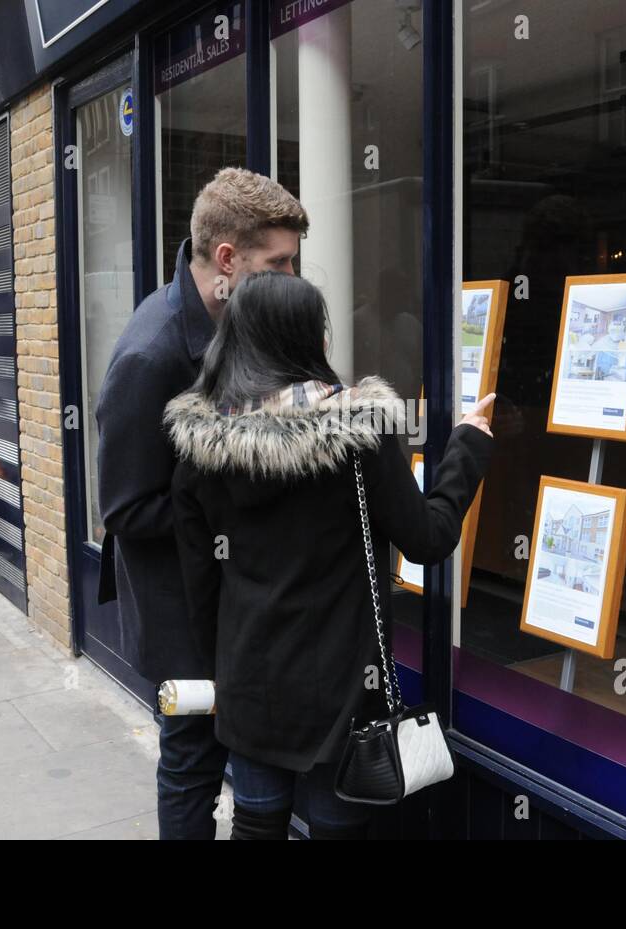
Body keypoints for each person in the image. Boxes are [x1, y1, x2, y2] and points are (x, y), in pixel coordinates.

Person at [165, 271, 494, 840]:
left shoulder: (201, 449)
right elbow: (428, 539)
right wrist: (468, 446)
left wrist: (222, 672)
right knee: (338, 829)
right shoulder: (358, 435)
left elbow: (200, 589)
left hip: (249, 681)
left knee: (255, 823)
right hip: (345, 686)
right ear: (306, 341)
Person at [95, 168, 309, 841]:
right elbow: (126, 509)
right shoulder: (149, 356)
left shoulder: (239, 322)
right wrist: (237, 509)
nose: (292, 277)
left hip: (234, 603)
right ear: (226, 260)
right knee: (191, 762)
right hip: (182, 614)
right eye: (280, 262)